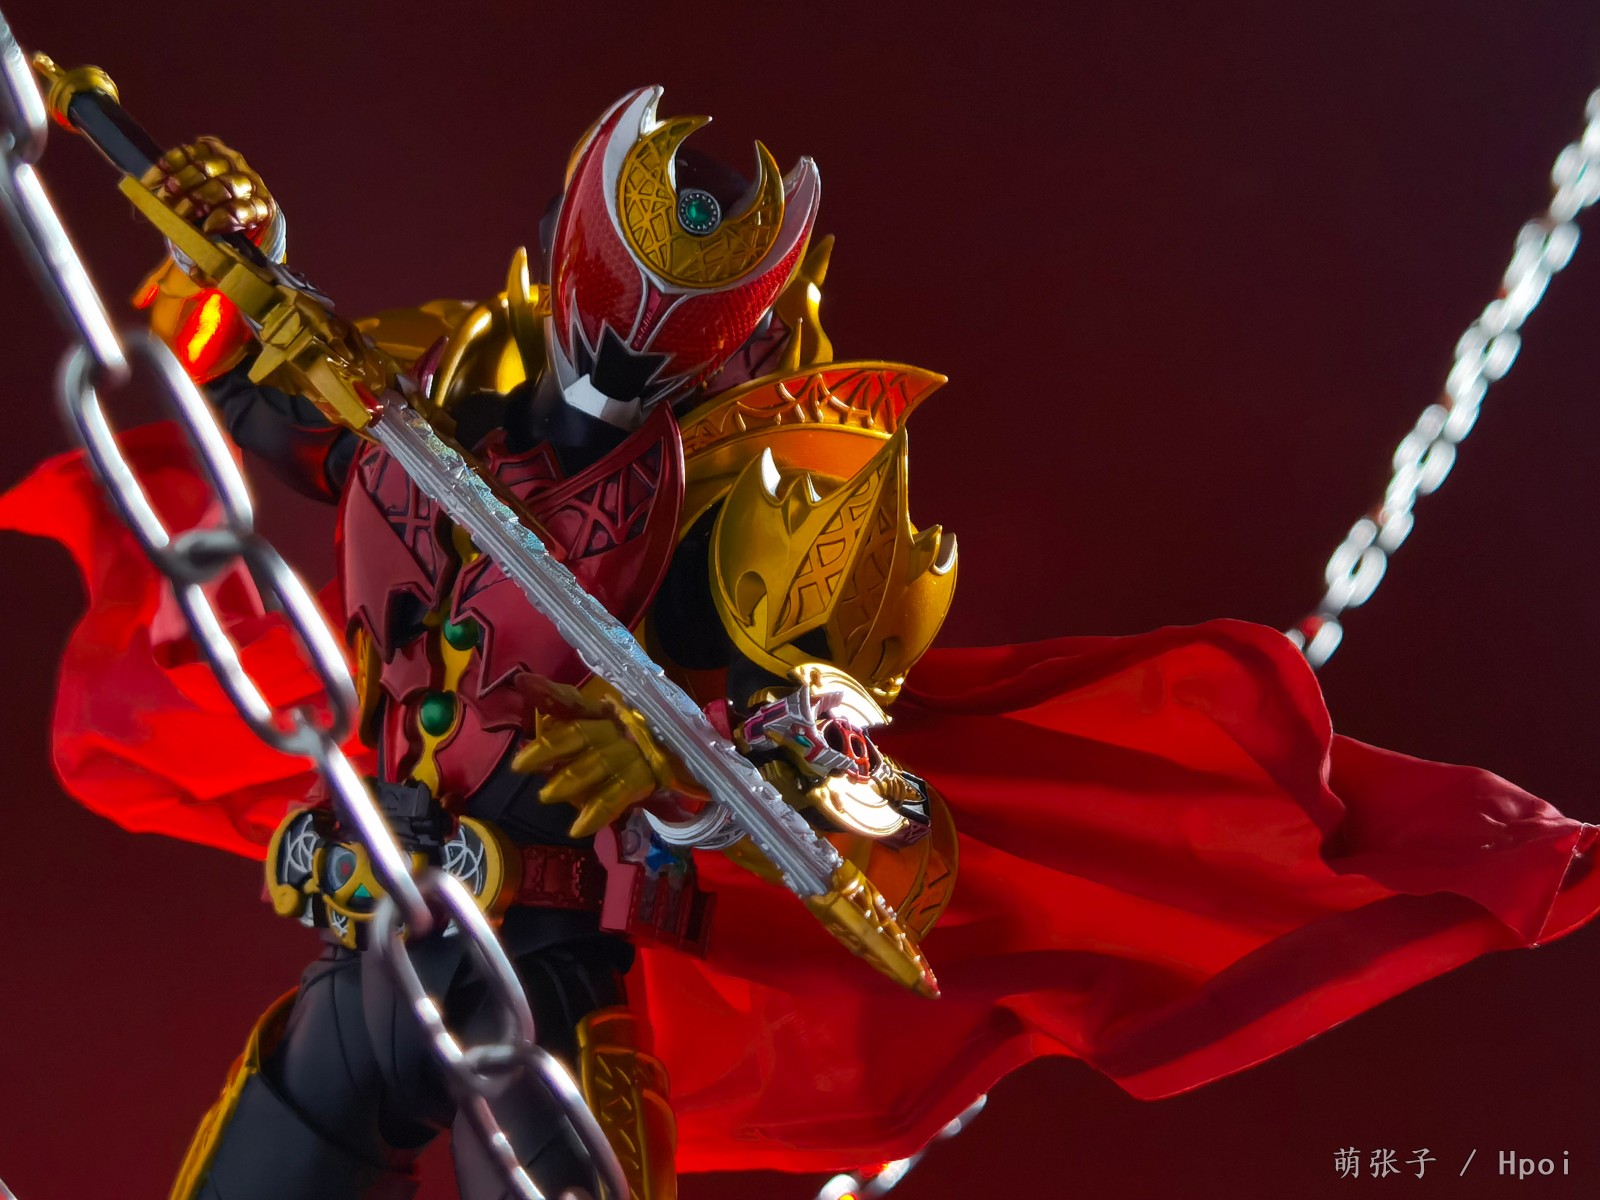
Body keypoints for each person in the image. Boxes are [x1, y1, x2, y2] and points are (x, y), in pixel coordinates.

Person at [3, 84, 1596, 1200]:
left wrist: (685, 758)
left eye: (668, 344)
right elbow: (230, 397)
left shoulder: (767, 501)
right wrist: (219, 253)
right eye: (604, 318)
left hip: (547, 973)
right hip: (370, 921)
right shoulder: (435, 395)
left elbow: (857, 780)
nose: (615, 372)